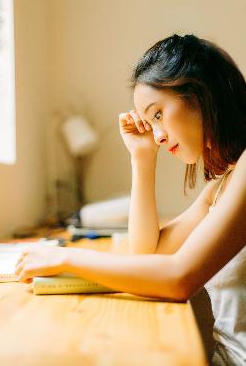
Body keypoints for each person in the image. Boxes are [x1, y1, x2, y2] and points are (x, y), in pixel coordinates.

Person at [15, 34, 246, 365]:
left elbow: (178, 278)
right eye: (151, 122)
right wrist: (142, 158)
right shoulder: (222, 186)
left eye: (158, 114)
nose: (158, 134)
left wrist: (65, 258)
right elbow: (148, 252)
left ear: (199, 96)